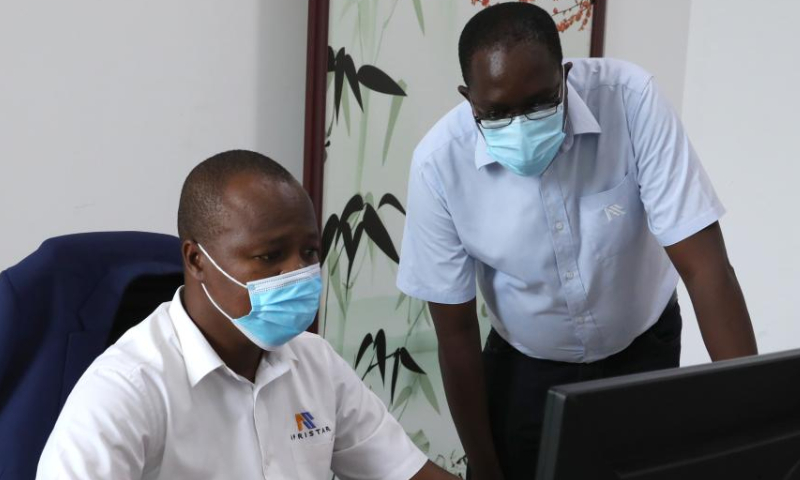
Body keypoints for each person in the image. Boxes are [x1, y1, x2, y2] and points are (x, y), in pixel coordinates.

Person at [395, 3, 758, 479]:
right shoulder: (439, 165)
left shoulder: (631, 101)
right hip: (527, 369)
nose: (520, 125)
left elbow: (705, 268)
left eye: (540, 103)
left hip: (643, 350)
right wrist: (484, 467)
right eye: (497, 113)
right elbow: (456, 333)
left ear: (564, 75)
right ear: (469, 99)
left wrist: (756, 425)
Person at [37, 150, 456, 480]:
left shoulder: (314, 362)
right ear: (197, 260)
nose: (299, 273)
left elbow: (405, 471)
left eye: (310, 252)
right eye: (269, 256)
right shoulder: (128, 388)